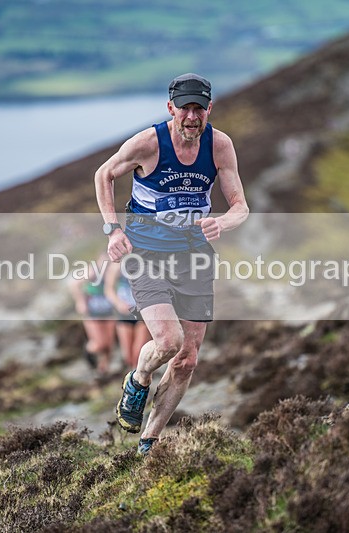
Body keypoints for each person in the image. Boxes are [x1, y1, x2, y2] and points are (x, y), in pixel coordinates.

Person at [94, 73, 249, 455]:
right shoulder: (148, 143)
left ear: (209, 109)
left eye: (200, 108)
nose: (192, 116)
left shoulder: (219, 146)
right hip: (146, 254)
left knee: (188, 358)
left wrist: (223, 221)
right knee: (169, 341)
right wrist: (113, 231)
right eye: (185, 108)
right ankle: (139, 378)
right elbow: (104, 174)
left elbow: (240, 206)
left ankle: (149, 441)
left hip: (194, 257)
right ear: (171, 109)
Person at [69, 253, 117, 377]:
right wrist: (80, 301)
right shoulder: (91, 271)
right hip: (92, 312)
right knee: (99, 343)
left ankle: (103, 369)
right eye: (103, 262)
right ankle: (88, 351)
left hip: (108, 311)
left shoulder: (112, 271)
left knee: (108, 344)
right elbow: (74, 284)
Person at [104, 260, 152, 370]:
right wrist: (118, 303)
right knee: (128, 357)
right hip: (124, 313)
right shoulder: (116, 266)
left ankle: (141, 382)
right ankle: (133, 381)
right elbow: (108, 289)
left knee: (138, 354)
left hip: (142, 313)